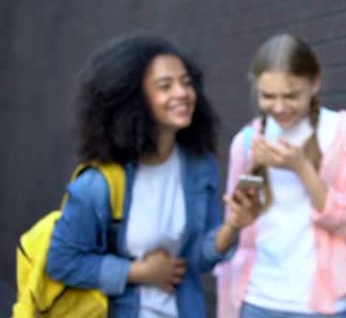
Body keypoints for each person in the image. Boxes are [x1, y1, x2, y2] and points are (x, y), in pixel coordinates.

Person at [46, 33, 260, 318]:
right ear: (134, 100)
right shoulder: (99, 185)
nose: (182, 93)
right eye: (165, 86)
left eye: (186, 83)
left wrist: (232, 226)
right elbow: (62, 261)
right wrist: (138, 272)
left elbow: (197, 259)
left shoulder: (199, 166)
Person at [214, 33, 346, 318]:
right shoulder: (247, 141)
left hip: (321, 305)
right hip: (256, 297)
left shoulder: (345, 132)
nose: (279, 107)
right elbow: (235, 221)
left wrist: (301, 168)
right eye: (268, 96)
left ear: (315, 83)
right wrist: (251, 171)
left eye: (291, 95)